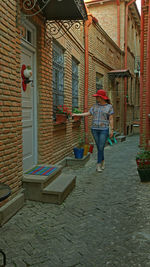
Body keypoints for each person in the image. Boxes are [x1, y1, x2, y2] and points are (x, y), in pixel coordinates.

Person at [72, 89, 114, 172]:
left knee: (101, 147)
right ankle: (102, 160)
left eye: (97, 96)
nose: (96, 98)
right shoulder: (95, 106)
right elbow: (88, 113)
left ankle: (98, 165)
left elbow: (111, 119)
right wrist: (77, 114)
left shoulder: (109, 107)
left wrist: (111, 130)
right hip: (94, 129)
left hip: (104, 130)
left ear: (101, 97)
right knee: (99, 147)